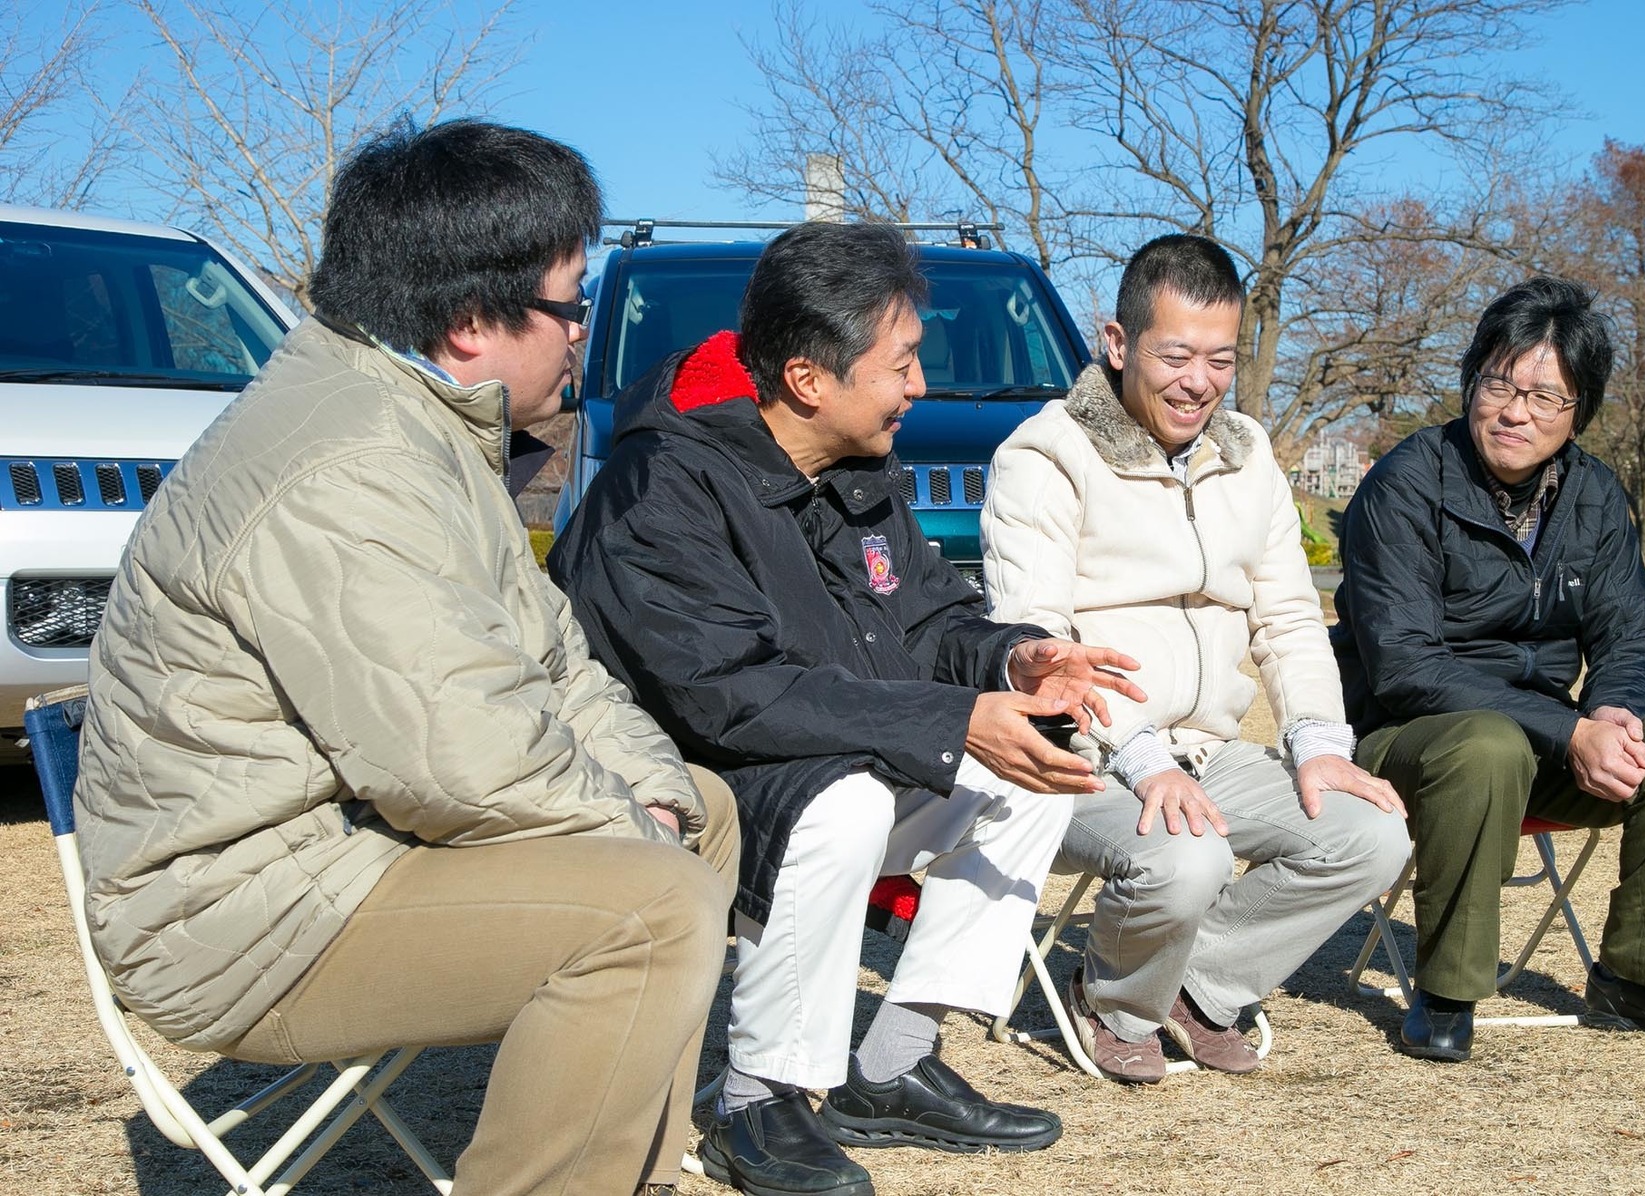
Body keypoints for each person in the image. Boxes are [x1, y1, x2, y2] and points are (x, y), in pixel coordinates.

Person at [72, 119, 738, 1195]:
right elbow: (455, 756)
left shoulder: (422, 430)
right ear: (473, 321)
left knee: (701, 810)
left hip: (345, 846)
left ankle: (632, 1171)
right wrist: (630, 825)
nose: (582, 333)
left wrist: (653, 794)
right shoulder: (349, 467)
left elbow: (558, 666)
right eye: (572, 303)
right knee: (651, 904)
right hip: (243, 911)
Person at [550, 220, 1143, 1196]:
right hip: (679, 781)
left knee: (1032, 762)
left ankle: (892, 1062)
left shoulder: (856, 460)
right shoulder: (661, 485)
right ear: (808, 379)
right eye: (903, 363)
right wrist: (950, 721)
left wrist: (1015, 658)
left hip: (813, 746)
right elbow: (727, 694)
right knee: (852, 800)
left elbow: (927, 617)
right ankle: (756, 1096)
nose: (920, 387)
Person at [979, 233, 1411, 1083]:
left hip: (1206, 752)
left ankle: (1201, 986)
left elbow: (1288, 617)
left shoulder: (1246, 457)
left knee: (1371, 835)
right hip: (1078, 757)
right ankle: (1112, 997)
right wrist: (1138, 760)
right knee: (1188, 854)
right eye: (1175, 354)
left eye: (1219, 359)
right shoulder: (1042, 455)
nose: (1198, 382)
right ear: (1117, 343)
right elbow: (1042, 643)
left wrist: (1320, 746)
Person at [1330, 275, 1645, 1063]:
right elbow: (1404, 665)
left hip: (1540, 740)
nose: (1514, 411)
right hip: (1408, 741)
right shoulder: (1405, 484)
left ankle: (1644, 978)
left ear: (1578, 411)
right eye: (1499, 383)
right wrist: (1567, 727)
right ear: (1471, 381)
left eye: (1544, 397)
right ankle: (1446, 989)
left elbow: (1631, 634)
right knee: (1484, 743)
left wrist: (1614, 714)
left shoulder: (1592, 494)